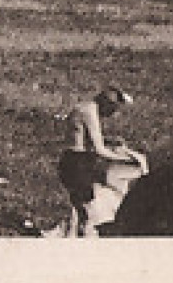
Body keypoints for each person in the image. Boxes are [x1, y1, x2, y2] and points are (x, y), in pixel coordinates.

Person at [59, 87, 140, 237]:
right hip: (78, 163)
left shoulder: (86, 107)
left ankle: (75, 234)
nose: (111, 115)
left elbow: (85, 136)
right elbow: (99, 150)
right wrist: (130, 159)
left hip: (74, 159)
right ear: (107, 105)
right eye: (113, 110)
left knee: (80, 208)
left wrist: (111, 141)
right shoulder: (89, 112)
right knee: (86, 208)